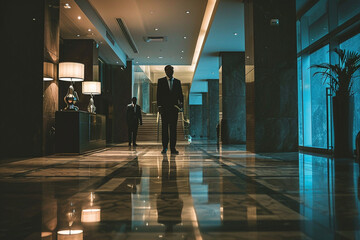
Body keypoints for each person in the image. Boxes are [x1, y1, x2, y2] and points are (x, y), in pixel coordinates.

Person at [157, 65, 184, 154]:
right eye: (169, 70)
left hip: (174, 109)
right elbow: (158, 95)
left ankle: (173, 148)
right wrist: (159, 106)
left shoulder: (177, 82)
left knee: (173, 129)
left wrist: (181, 105)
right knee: (164, 129)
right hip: (164, 109)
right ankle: (164, 147)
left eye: (172, 70)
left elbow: (180, 95)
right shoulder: (161, 81)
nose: (171, 72)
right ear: (165, 71)